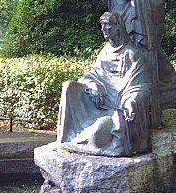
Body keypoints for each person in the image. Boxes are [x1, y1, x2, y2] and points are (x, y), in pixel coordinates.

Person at [57, 12, 152, 157]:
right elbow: (90, 75)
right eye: (102, 25)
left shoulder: (132, 54)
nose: (104, 29)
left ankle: (84, 142)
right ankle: (67, 138)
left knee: (98, 135)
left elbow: (143, 86)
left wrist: (132, 101)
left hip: (116, 111)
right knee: (69, 86)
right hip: (98, 105)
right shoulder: (105, 52)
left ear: (118, 27)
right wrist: (94, 85)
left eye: (108, 25)